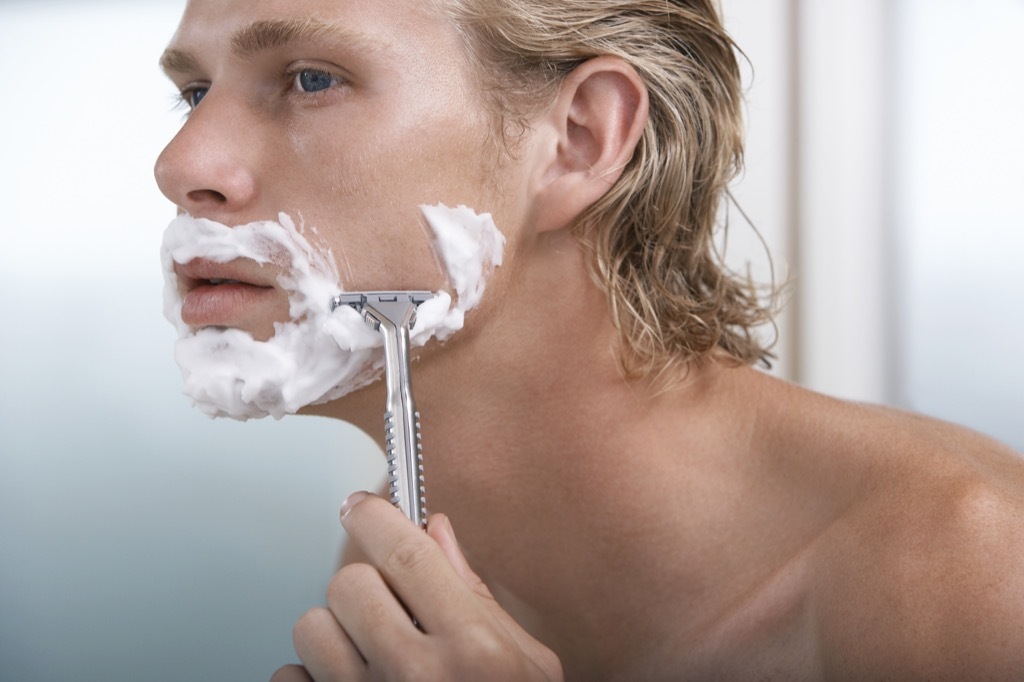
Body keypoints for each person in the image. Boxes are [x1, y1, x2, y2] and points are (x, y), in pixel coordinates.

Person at [154, 0, 1024, 679]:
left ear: (577, 141)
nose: (181, 163)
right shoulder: (409, 574)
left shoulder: (968, 573)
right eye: (195, 92)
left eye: (311, 79)